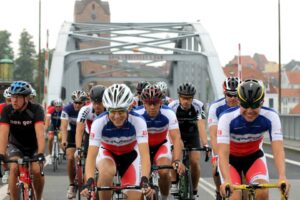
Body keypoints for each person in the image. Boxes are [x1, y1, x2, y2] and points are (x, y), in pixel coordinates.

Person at [218, 79, 290, 199]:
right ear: (239, 102)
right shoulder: (226, 118)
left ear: (262, 102)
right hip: (231, 160)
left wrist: (282, 176)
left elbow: (278, 150)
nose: (250, 111)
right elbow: (223, 153)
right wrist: (226, 180)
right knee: (234, 196)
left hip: (253, 157)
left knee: (262, 192)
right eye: (245, 105)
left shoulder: (271, 117)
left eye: (255, 105)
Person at [81, 84, 152, 200]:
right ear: (107, 109)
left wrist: (145, 179)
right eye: (112, 111)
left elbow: (145, 155)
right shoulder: (99, 123)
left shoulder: (138, 121)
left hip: (130, 157)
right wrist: (89, 181)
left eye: (121, 111)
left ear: (129, 108)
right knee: (107, 171)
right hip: (107, 154)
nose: (117, 116)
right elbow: (91, 156)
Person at [134, 84, 185, 200]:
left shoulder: (169, 113)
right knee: (140, 182)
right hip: (142, 148)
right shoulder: (136, 114)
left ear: (161, 102)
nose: (152, 107)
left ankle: (164, 197)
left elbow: (176, 138)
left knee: (164, 172)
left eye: (155, 103)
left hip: (161, 145)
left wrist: (176, 160)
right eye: (148, 103)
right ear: (143, 103)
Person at [0, 81, 45, 200]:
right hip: (16, 145)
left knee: (36, 170)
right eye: (12, 97)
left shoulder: (36, 109)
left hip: (33, 146)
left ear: (26, 98)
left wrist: (40, 153)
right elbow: (3, 134)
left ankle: (38, 198)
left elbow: (40, 133)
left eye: (17, 97)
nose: (13, 100)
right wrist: (1, 154)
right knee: (14, 168)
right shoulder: (7, 110)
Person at [168, 82, 209, 198]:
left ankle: (194, 189)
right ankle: (174, 182)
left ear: (193, 98)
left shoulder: (199, 106)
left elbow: (201, 126)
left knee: (195, 162)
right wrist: (172, 143)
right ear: (179, 97)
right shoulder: (172, 106)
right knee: (174, 154)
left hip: (192, 134)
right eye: (183, 98)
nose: (186, 101)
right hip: (177, 134)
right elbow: (169, 128)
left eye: (189, 98)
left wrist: (205, 144)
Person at [208, 76, 240, 200]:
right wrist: (216, 156)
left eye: (235, 95)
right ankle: (218, 190)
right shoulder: (216, 107)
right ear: (224, 93)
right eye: (229, 95)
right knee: (216, 170)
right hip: (221, 142)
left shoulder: (245, 106)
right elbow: (214, 134)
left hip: (238, 142)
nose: (232, 98)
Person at [60, 90, 87, 199]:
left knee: (88, 155)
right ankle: (71, 185)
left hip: (85, 132)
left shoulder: (88, 109)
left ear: (84, 103)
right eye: (75, 102)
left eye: (79, 103)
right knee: (70, 157)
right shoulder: (67, 109)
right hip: (72, 133)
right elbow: (64, 127)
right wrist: (64, 140)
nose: (77, 105)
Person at [75, 85, 106, 159]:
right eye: (94, 103)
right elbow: (79, 130)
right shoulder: (85, 110)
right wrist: (78, 149)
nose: (97, 106)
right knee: (87, 156)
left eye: (100, 103)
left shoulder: (110, 109)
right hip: (90, 135)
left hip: (106, 135)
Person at [45, 98, 63, 164]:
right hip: (52, 125)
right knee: (50, 139)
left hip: (60, 124)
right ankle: (50, 155)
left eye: (59, 106)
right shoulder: (51, 110)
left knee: (61, 137)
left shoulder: (63, 111)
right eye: (56, 106)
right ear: (54, 106)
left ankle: (61, 148)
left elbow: (64, 122)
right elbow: (47, 120)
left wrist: (62, 129)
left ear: (61, 106)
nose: (58, 108)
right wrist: (46, 129)